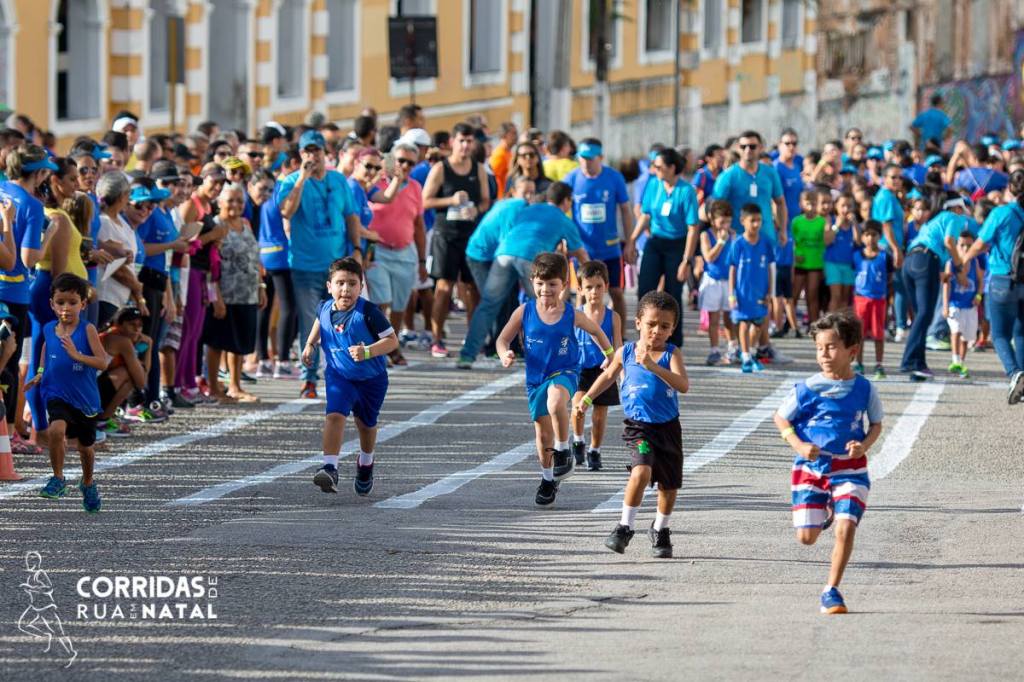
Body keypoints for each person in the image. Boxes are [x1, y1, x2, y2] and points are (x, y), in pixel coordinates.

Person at [774, 310, 883, 615]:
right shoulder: (807, 388)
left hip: (850, 469)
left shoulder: (865, 389)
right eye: (820, 347)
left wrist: (863, 445)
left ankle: (831, 590)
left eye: (831, 347)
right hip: (811, 469)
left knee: (846, 528)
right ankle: (825, 509)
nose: (824, 354)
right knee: (806, 538)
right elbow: (780, 416)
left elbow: (876, 424)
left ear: (852, 351)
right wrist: (797, 443)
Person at [495, 253, 611, 506]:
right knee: (541, 432)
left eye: (552, 284)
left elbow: (596, 330)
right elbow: (502, 339)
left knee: (556, 400)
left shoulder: (570, 314)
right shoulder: (524, 311)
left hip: (565, 372)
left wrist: (609, 355)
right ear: (532, 282)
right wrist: (506, 353)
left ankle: (563, 449)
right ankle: (548, 479)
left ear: (563, 285)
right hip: (536, 378)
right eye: (540, 283)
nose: (545, 289)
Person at [579, 290, 689, 559]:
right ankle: (624, 527)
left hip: (668, 428)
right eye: (651, 324)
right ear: (638, 322)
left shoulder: (671, 354)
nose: (657, 331)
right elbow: (608, 376)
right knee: (641, 473)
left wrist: (653, 366)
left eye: (664, 326)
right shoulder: (625, 352)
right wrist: (588, 398)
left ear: (672, 328)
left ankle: (660, 529)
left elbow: (683, 385)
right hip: (638, 427)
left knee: (669, 486)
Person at [458, 182, 590, 368]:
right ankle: (552, 355)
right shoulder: (563, 219)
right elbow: (581, 255)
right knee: (547, 304)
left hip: (504, 254)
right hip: (530, 258)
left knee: (488, 305)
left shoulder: (530, 208)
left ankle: (467, 355)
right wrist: (591, 275)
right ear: (566, 201)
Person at [278, 130, 364, 399]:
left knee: (343, 320)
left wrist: (358, 249)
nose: (312, 156)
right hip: (305, 266)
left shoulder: (339, 181)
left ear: (325, 153)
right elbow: (286, 211)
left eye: (316, 151)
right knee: (311, 320)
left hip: (337, 265)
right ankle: (309, 378)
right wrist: (302, 177)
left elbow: (351, 217)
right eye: (307, 151)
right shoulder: (292, 181)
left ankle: (343, 372)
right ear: (301, 154)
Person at [306, 257, 398, 496]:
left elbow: (392, 341)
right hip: (339, 375)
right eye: (340, 283)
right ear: (329, 286)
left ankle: (366, 463)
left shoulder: (368, 311)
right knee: (335, 415)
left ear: (361, 286)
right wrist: (310, 344)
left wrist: (368, 351)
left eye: (352, 283)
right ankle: (330, 467)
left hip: (371, 379)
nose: (345, 289)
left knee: (365, 425)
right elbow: (319, 322)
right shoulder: (324, 307)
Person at [27, 273, 111, 513]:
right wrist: (40, 372)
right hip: (55, 392)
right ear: (52, 304)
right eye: (61, 302)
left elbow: (102, 363)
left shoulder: (88, 329)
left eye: (73, 302)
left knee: (85, 448)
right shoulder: (48, 328)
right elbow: (46, 348)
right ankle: (57, 478)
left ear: (83, 304)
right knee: (56, 430)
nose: (66, 308)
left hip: (85, 399)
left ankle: (87, 483)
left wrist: (77, 356)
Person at [422, 122, 490, 358]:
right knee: (444, 286)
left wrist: (477, 210)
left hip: (470, 235)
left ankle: (472, 337)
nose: (465, 145)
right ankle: (437, 338)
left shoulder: (478, 168)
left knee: (472, 288)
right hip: (446, 234)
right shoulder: (441, 168)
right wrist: (450, 201)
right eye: (461, 140)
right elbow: (426, 201)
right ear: (453, 142)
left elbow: (485, 200)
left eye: (470, 141)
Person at [961, 169, 1024, 403]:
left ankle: (1015, 373)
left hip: (1002, 277)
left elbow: (980, 244)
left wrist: (963, 262)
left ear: (1010, 188)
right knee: (1021, 332)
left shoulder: (1001, 212)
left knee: (999, 334)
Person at [365, 143, 428, 366]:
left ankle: (392, 347)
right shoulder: (376, 184)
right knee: (382, 300)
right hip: (379, 251)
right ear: (391, 160)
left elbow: (419, 225)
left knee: (400, 304)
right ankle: (378, 348)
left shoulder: (415, 187)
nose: (405, 166)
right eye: (401, 161)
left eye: (411, 163)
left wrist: (422, 260)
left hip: (405, 251)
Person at [201, 184, 265, 403]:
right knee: (218, 341)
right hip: (224, 293)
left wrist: (260, 287)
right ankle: (213, 387)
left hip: (247, 292)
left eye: (240, 201)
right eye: (231, 200)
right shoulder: (216, 225)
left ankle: (235, 385)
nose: (236, 205)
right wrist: (215, 297)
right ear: (220, 203)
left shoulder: (246, 223)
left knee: (241, 341)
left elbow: (254, 259)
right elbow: (211, 265)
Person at [563, 139, 633, 324]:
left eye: (590, 158)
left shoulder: (614, 177)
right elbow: (559, 211)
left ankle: (619, 336)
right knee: (583, 294)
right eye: (582, 158)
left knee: (616, 292)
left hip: (610, 248)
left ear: (601, 157)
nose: (585, 162)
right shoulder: (571, 179)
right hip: (583, 250)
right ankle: (581, 334)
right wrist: (564, 241)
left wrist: (630, 242)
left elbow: (625, 210)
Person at [570, 261, 622, 472]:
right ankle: (578, 440)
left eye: (599, 286)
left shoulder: (613, 317)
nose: (594, 292)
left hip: (604, 371)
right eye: (589, 287)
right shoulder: (575, 314)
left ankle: (595, 450)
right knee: (578, 407)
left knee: (600, 415)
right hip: (580, 368)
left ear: (606, 286)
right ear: (580, 289)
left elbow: (618, 345)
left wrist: (617, 366)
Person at [729, 204, 776, 373]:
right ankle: (747, 357)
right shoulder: (738, 244)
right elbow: (732, 269)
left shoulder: (766, 242)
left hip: (760, 292)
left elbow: (770, 269)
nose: (756, 224)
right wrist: (731, 294)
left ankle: (747, 352)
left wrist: (770, 292)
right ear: (743, 221)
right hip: (742, 293)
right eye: (752, 220)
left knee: (758, 324)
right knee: (744, 322)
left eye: (759, 221)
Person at [96, 306, 149, 438]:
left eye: (140, 325)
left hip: (87, 391)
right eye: (132, 324)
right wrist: (150, 346)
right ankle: (102, 421)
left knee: (130, 370)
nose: (137, 329)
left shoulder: (113, 334)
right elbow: (141, 382)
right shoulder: (121, 341)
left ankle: (102, 419)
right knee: (130, 375)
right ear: (118, 325)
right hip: (87, 395)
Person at [698, 200, 736, 365]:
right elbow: (709, 257)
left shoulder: (733, 234)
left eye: (728, 221)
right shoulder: (705, 234)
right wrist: (721, 242)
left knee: (729, 317)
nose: (725, 224)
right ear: (712, 219)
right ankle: (714, 350)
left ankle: (732, 348)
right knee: (714, 319)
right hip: (712, 280)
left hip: (729, 281)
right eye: (722, 220)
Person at [852, 221, 891, 379]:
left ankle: (879, 364)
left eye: (874, 235)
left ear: (879, 236)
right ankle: (858, 363)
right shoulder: (856, 256)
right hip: (861, 299)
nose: (870, 238)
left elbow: (890, 276)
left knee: (878, 333)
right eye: (867, 234)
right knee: (859, 333)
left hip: (878, 300)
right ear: (862, 237)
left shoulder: (884, 256)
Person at [943, 230, 983, 378]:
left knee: (966, 336)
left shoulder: (975, 262)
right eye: (962, 245)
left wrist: (978, 296)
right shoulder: (951, 263)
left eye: (969, 245)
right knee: (956, 330)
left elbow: (980, 281)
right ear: (956, 246)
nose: (965, 249)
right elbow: (946, 285)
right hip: (955, 303)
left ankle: (961, 362)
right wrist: (945, 305)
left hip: (970, 305)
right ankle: (955, 360)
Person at [792, 189, 826, 327]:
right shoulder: (796, 222)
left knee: (812, 296)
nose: (811, 206)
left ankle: (814, 324)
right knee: (793, 295)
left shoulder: (822, 222)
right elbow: (792, 242)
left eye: (813, 203)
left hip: (815, 264)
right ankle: (790, 323)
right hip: (800, 264)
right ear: (801, 204)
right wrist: (795, 255)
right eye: (808, 203)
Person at [824, 193, 858, 312]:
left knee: (845, 297)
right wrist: (836, 226)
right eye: (843, 205)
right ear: (836, 206)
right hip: (833, 264)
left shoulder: (854, 224)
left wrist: (854, 225)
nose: (846, 209)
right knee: (836, 296)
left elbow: (858, 242)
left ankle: (841, 326)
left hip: (848, 264)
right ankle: (831, 323)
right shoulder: (831, 220)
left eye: (849, 206)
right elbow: (827, 241)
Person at [489, 122, 517, 199]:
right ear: (504, 135)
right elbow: (494, 179)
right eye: (513, 133)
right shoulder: (499, 155)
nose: (516, 136)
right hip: (500, 199)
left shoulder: (509, 153)